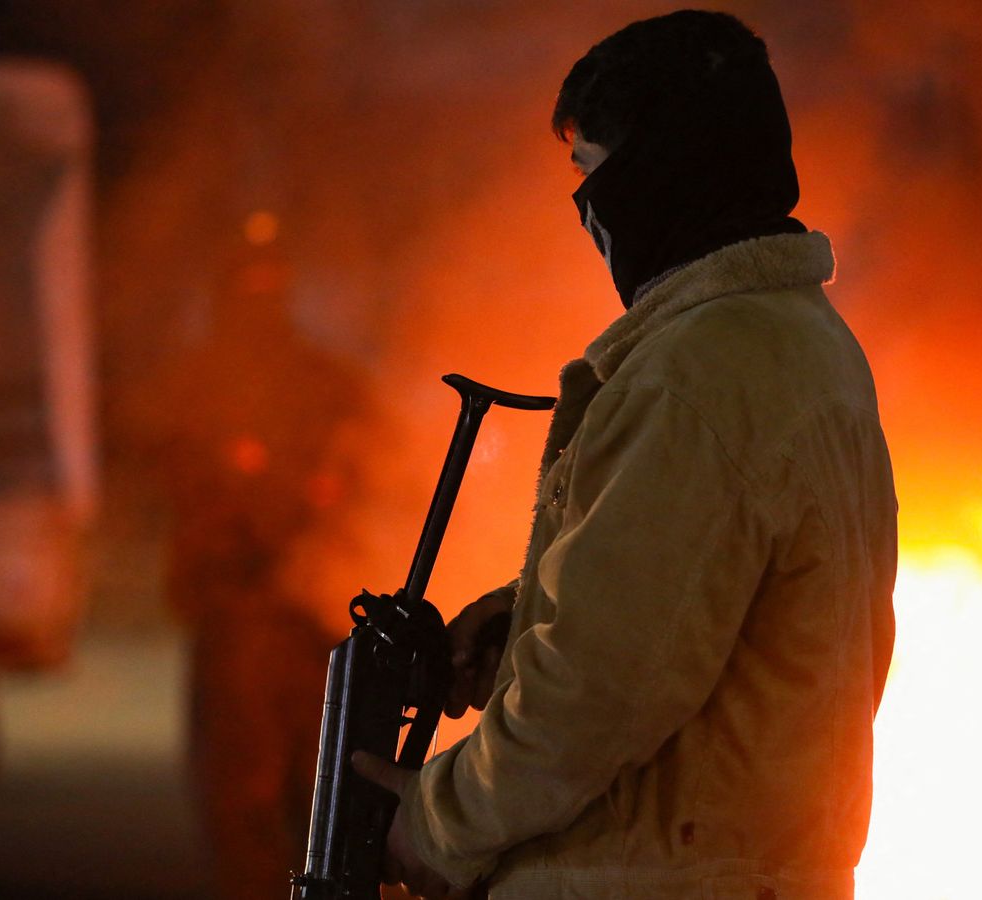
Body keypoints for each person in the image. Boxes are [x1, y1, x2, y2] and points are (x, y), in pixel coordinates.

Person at [355, 11, 897, 899]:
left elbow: (591, 701)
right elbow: (700, 625)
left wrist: (433, 824)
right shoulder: (805, 342)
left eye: (591, 172)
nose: (585, 211)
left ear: (657, 174)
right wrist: (526, 625)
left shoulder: (691, 377)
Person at [130, 221, 370, 900]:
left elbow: (375, 472)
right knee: (249, 807)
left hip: (310, 622)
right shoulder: (203, 386)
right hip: (242, 620)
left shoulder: (324, 384)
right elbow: (173, 476)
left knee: (318, 802)